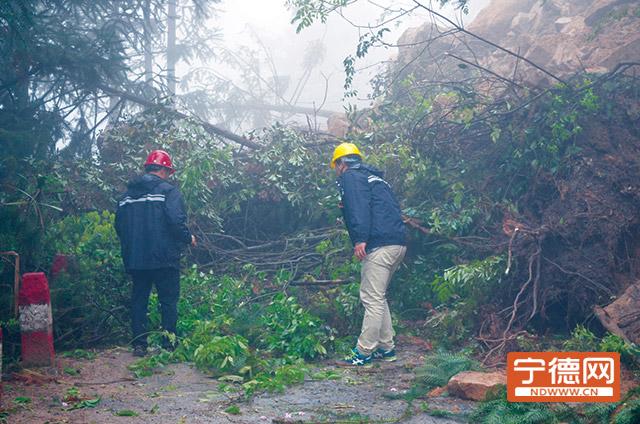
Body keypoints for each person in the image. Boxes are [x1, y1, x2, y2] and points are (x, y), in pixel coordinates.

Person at [331, 142, 407, 367]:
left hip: (379, 245)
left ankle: (363, 352)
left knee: (370, 298)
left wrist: (359, 239)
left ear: (341, 163)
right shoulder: (374, 178)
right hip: (398, 244)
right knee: (378, 296)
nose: (336, 171)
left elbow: (359, 208)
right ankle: (387, 348)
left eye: (336, 166)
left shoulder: (351, 177)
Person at [115, 150, 196, 357]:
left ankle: (139, 345)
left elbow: (120, 227)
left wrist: (132, 249)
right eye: (168, 171)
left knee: (139, 300)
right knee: (168, 301)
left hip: (136, 258)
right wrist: (188, 238)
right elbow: (176, 222)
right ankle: (168, 345)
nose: (168, 176)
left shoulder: (126, 197)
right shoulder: (168, 191)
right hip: (164, 257)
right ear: (162, 170)